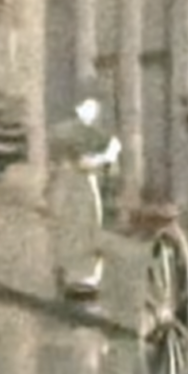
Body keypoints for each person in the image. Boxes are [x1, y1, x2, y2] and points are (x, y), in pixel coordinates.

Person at [47, 81, 122, 298]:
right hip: (75, 184)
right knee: (79, 226)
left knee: (80, 228)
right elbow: (82, 163)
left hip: (75, 184)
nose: (93, 110)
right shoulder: (70, 132)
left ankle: (76, 275)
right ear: (79, 107)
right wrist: (107, 156)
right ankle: (77, 277)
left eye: (95, 105)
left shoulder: (88, 132)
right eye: (89, 105)